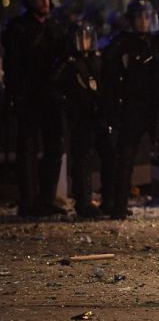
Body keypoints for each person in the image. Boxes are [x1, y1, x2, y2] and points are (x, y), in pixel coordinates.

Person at [102, 0, 159, 220]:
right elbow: (109, 77)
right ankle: (119, 207)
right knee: (125, 158)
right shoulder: (121, 44)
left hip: (156, 109)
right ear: (131, 20)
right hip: (132, 107)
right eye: (140, 17)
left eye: (147, 16)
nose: (144, 21)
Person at [2, 0, 67, 217]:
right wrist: (15, 94)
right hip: (29, 96)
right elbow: (13, 65)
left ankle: (46, 199)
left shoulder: (55, 28)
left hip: (51, 96)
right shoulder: (17, 28)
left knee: (54, 148)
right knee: (27, 150)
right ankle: (28, 201)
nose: (46, 3)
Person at [54, 22, 115, 217]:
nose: (85, 42)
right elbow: (56, 89)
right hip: (80, 118)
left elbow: (106, 85)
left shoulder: (98, 60)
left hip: (99, 116)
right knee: (82, 159)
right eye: (80, 38)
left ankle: (110, 200)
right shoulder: (68, 63)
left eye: (87, 38)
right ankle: (84, 201)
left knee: (109, 156)